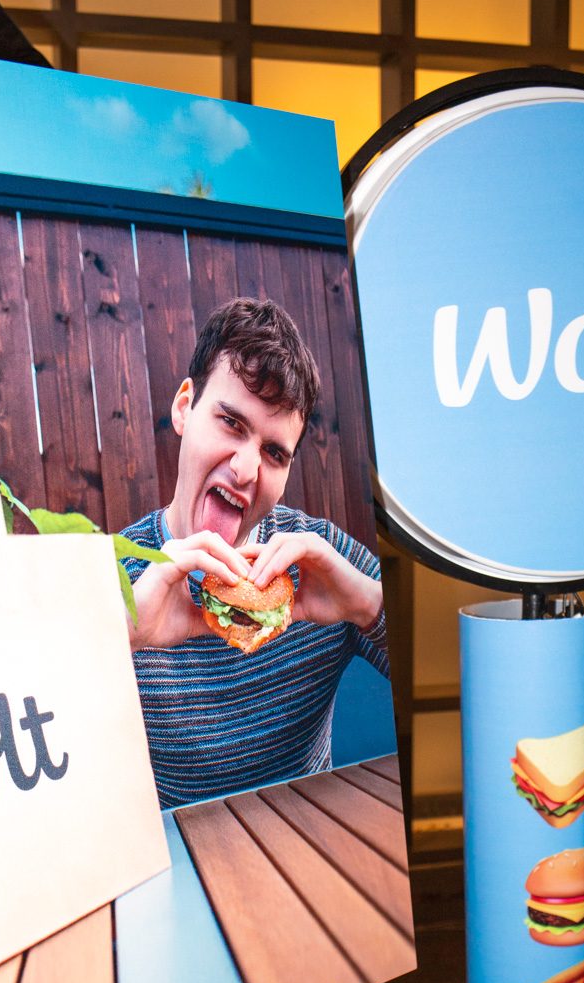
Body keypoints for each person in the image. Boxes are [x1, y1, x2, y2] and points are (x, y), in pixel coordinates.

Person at [121, 296, 388, 809]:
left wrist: (367, 605)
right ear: (184, 407)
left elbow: (455, 681)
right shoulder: (121, 576)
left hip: (311, 838)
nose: (246, 470)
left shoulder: (318, 562)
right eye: (231, 422)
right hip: (178, 851)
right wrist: (123, 637)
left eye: (274, 452)